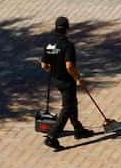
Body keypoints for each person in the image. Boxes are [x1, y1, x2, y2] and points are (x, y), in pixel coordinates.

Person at [38, 15, 91, 149]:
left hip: (56, 79)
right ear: (68, 29)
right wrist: (78, 78)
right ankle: (52, 136)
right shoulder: (68, 45)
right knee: (67, 108)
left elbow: (44, 65)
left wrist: (54, 71)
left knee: (71, 102)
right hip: (67, 81)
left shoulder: (49, 44)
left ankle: (78, 129)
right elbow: (69, 66)